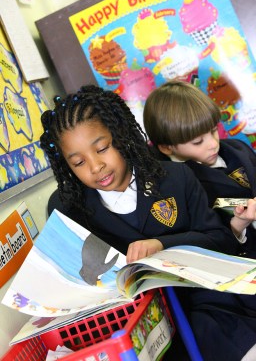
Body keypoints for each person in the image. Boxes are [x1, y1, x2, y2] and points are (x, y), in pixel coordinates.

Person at [40, 85, 254, 361]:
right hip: (131, 327)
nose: (95, 167)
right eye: (79, 162)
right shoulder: (66, 207)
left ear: (121, 137)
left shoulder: (176, 178)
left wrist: (162, 244)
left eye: (102, 149)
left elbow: (220, 238)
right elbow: (73, 283)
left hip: (209, 309)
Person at [144, 80, 256, 259]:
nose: (213, 144)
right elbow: (211, 242)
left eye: (213, 131)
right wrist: (240, 223)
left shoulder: (238, 149)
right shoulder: (177, 186)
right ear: (166, 147)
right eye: (197, 142)